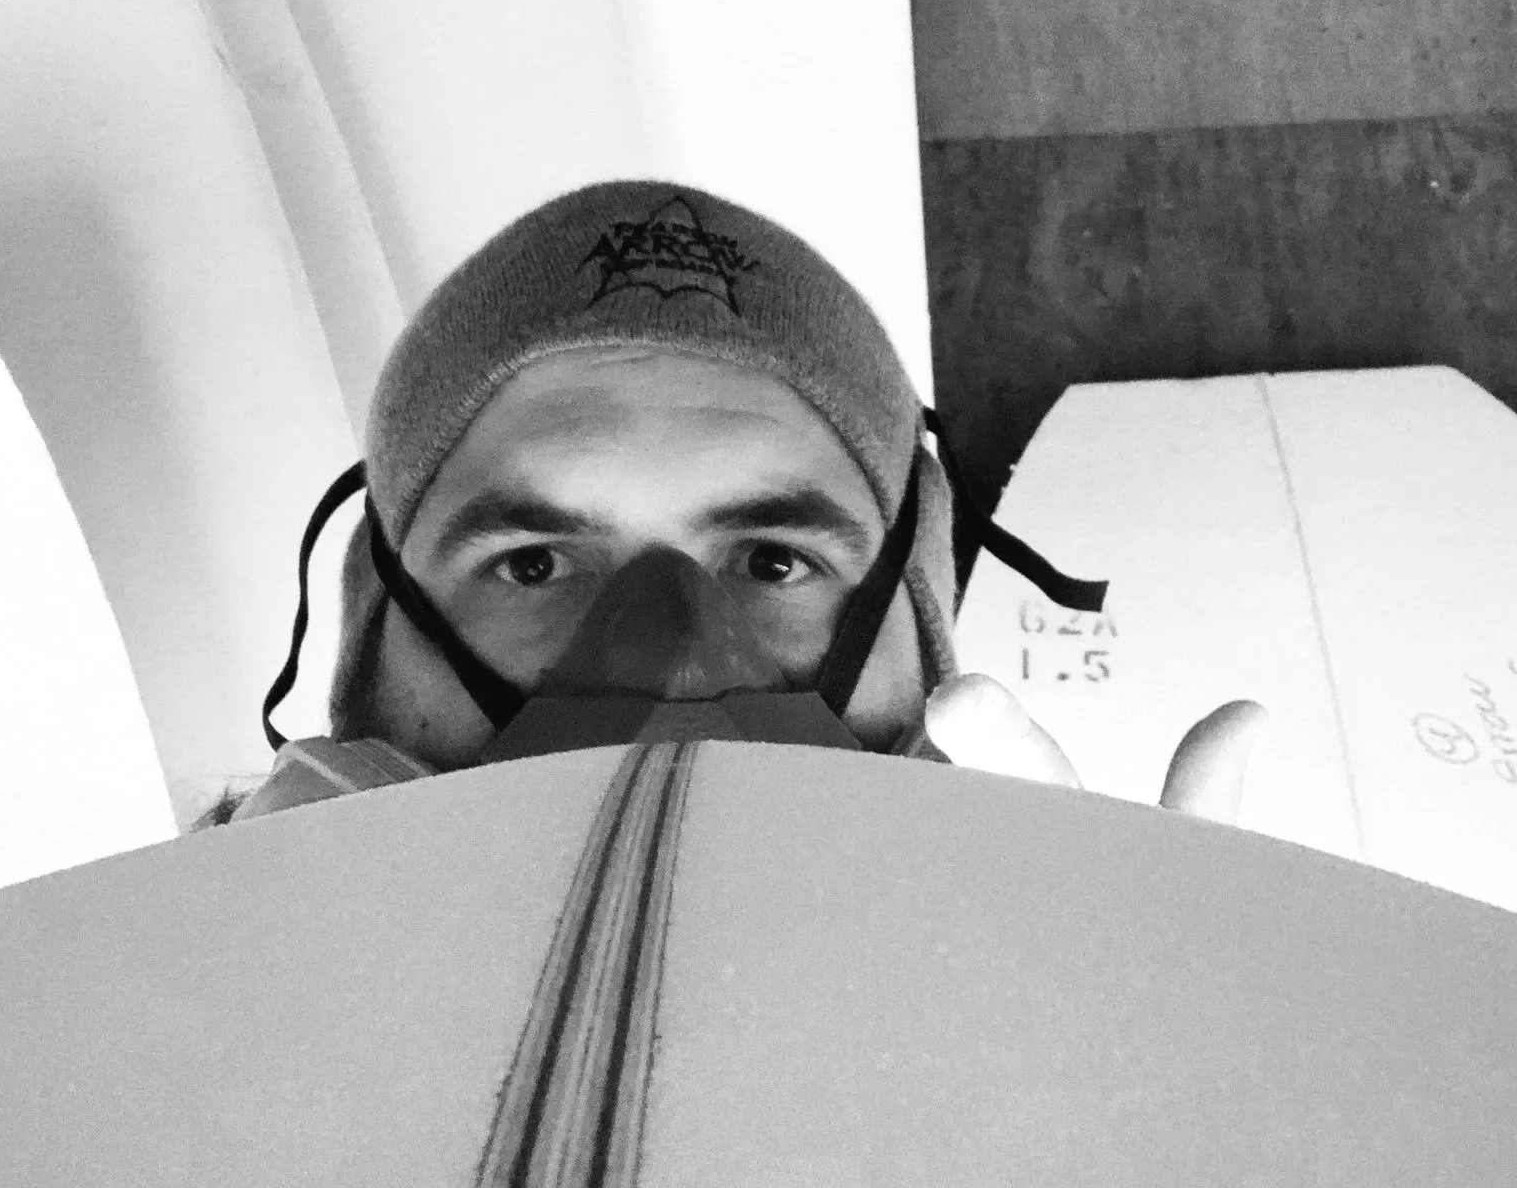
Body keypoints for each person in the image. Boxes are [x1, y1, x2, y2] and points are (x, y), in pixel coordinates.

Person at [200, 180, 1264, 826]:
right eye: (532, 564)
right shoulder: (102, 1044)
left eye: (771, 561)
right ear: (374, 647)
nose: (671, 665)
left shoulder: (1108, 1024)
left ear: (923, 625)